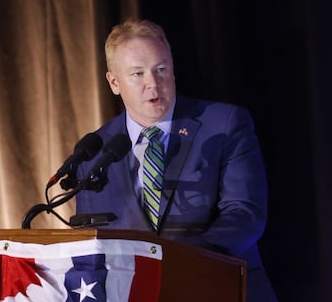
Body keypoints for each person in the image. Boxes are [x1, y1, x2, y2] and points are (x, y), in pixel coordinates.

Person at [74, 19, 277, 301]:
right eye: (137, 74)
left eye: (161, 70)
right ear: (114, 82)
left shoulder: (225, 124)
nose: (153, 84)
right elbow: (91, 243)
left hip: (221, 289)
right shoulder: (96, 150)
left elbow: (244, 213)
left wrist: (179, 264)